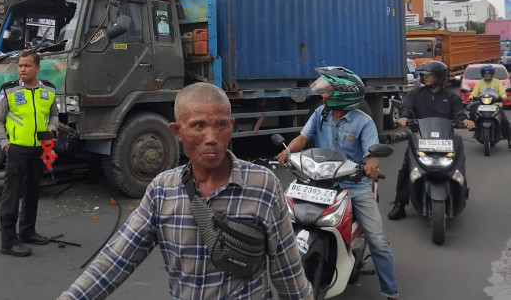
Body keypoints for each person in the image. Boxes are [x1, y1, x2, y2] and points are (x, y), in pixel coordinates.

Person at [59, 82, 313, 300]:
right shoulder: (162, 191)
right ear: (177, 132)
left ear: (231, 126)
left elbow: (288, 272)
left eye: (221, 125)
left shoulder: (262, 185)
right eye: (199, 126)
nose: (211, 137)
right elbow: (115, 261)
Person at [277, 66, 399, 300]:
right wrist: (287, 152)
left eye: (328, 92)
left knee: (377, 239)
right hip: (318, 181)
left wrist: (372, 164)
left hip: (353, 184)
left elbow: (371, 153)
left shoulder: (364, 122)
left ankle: (390, 291)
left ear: (342, 95)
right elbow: (303, 137)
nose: (323, 95)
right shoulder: (320, 114)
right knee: (286, 221)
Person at [388, 60, 474, 221]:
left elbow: (459, 115)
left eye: (429, 75)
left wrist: (466, 121)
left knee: (459, 164)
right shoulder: (415, 94)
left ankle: (460, 194)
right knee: (406, 169)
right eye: (424, 75)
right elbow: (406, 108)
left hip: (446, 140)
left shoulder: (451, 98)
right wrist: (404, 117)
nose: (425, 78)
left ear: (440, 77)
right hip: (420, 139)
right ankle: (400, 203)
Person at [0, 51, 58, 257]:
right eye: (20, 66)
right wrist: (5, 145)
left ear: (37, 68)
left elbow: (54, 113)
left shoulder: (48, 90)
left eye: (27, 66)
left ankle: (28, 231)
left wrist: (52, 129)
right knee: (11, 196)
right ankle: (8, 242)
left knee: (32, 192)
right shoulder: (9, 91)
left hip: (39, 150)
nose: (22, 69)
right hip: (17, 150)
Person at [468, 64, 511, 149]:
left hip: (496, 105)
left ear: (492, 74)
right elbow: (474, 93)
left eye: (489, 73)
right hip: (482, 105)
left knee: (506, 122)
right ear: (482, 74)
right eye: (485, 73)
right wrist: (471, 97)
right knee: (472, 112)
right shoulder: (479, 83)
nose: (487, 75)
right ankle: (475, 127)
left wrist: (503, 97)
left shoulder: (497, 82)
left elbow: (503, 93)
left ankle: (509, 140)